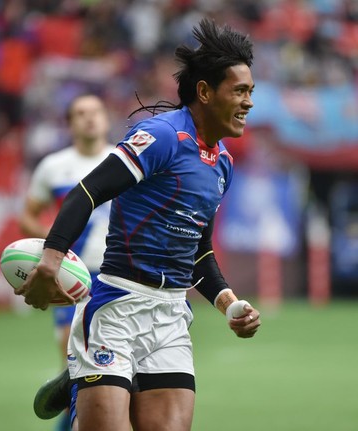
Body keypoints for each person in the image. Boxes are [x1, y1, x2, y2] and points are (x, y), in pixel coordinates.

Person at [17, 18, 261, 431]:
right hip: (117, 306)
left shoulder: (222, 164)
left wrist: (229, 303)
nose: (248, 102)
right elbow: (86, 193)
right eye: (239, 90)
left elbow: (198, 252)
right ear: (204, 92)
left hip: (170, 317)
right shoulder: (162, 136)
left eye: (250, 91)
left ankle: (83, 379)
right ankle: (88, 373)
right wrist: (51, 259)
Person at [19, 93, 115, 431]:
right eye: (80, 113)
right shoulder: (54, 166)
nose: (89, 118)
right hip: (71, 276)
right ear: (70, 123)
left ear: (106, 118)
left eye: (95, 112)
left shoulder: (124, 161)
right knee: (73, 358)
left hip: (116, 274)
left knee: (113, 361)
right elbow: (27, 217)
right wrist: (55, 241)